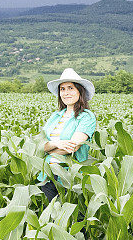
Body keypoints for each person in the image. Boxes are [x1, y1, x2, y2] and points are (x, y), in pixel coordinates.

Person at [39, 68, 97, 203]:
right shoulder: (55, 116)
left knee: (71, 219)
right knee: (50, 220)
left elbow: (72, 148)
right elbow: (38, 146)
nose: (66, 93)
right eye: (62, 89)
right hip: (47, 177)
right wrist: (56, 144)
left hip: (69, 178)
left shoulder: (86, 117)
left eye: (70, 88)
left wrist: (48, 149)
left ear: (79, 91)